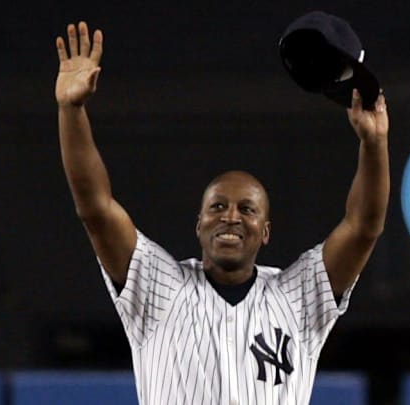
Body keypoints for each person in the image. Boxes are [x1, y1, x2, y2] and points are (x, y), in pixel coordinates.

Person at [55, 20, 389, 405]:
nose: (231, 217)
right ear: (199, 225)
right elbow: (95, 208)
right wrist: (72, 110)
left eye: (247, 209)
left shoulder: (296, 299)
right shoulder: (160, 289)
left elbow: (363, 227)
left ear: (265, 231)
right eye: (217, 207)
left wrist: (374, 143)